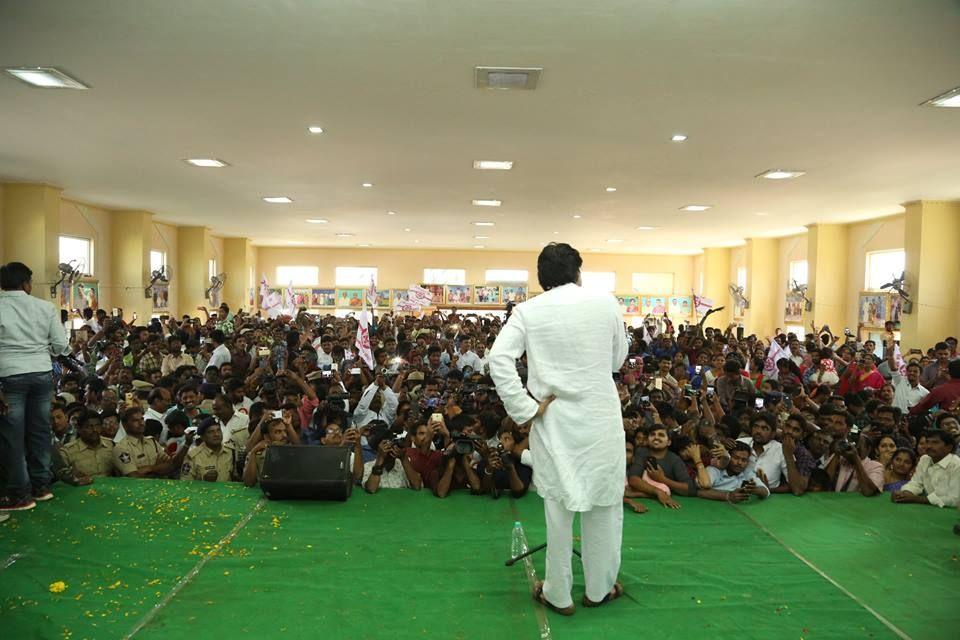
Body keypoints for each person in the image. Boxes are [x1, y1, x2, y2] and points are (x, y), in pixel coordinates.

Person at [489, 243, 628, 615]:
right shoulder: (606, 304)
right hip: (600, 418)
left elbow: (498, 359)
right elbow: (617, 359)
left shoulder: (527, 312)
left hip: (553, 420)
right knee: (604, 507)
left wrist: (524, 408)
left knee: (559, 511)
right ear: (578, 272)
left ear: (540, 278)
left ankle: (558, 594)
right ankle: (598, 590)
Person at [0, 262, 70, 511]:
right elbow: (61, 345)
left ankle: (20, 495)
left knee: (12, 437)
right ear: (26, 283)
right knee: (40, 432)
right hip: (41, 374)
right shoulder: (45, 307)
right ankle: (41, 487)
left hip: (9, 376)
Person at [891, 430, 960, 508]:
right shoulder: (924, 459)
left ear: (949, 447)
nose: (929, 446)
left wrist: (918, 499)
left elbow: (955, 499)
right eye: (927, 442)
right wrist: (905, 493)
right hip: (929, 508)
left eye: (935, 442)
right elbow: (916, 483)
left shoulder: (957, 465)